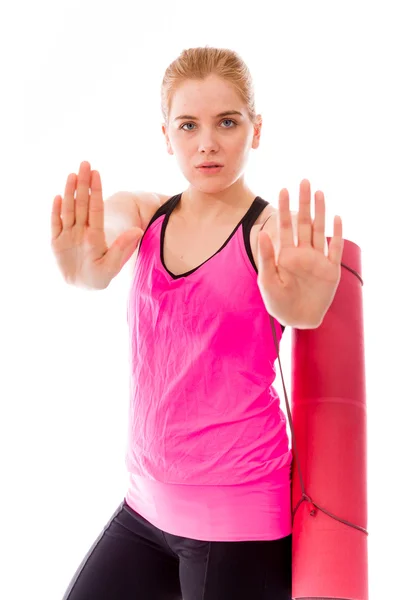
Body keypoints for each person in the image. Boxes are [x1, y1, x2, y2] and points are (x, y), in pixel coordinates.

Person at [52, 46, 343, 600]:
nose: (207, 142)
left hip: (235, 526)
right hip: (143, 507)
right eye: (188, 125)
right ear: (166, 136)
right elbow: (105, 235)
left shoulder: (268, 232)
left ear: (255, 130)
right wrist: (85, 270)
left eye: (227, 122)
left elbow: (300, 309)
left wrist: (302, 305)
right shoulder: (148, 214)